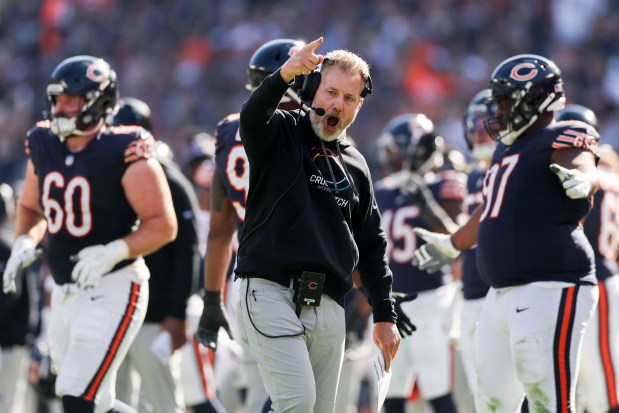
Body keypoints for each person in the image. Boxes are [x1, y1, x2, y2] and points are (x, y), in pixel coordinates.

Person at [412, 54, 600, 412]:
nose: (497, 110)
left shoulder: (559, 134)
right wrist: (453, 244)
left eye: (505, 100)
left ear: (536, 100)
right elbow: (490, 209)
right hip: (500, 294)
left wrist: (583, 180)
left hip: (550, 284)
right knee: (492, 404)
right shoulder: (505, 148)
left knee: (549, 402)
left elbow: (580, 164)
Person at [2, 55, 177, 413]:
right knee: (95, 405)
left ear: (100, 102)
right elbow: (32, 208)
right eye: (58, 100)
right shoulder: (43, 142)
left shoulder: (124, 149)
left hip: (113, 284)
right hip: (66, 291)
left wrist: (111, 251)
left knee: (75, 397)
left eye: (72, 100)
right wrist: (25, 240)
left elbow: (163, 224)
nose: (62, 108)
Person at [233, 36, 400, 413]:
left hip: (327, 302)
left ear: (359, 105)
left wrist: (384, 313)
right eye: (331, 92)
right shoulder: (281, 131)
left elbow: (372, 244)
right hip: (269, 289)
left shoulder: (356, 163)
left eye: (349, 98)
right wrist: (286, 73)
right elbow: (250, 117)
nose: (337, 104)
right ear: (312, 90)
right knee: (297, 402)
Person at [196, 38, 305, 413]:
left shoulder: (230, 132)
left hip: (246, 279)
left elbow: (220, 228)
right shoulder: (312, 125)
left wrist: (212, 296)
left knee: (262, 389)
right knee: (305, 395)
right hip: (303, 276)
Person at [112, 97, 223, 413]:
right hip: (116, 311)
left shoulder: (170, 180)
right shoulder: (110, 176)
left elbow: (188, 253)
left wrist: (176, 313)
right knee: (115, 401)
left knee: (164, 402)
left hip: (157, 316)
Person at [374, 114, 464, 413]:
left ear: (420, 151)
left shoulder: (444, 185)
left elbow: (457, 238)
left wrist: (427, 205)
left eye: (398, 150)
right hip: (392, 301)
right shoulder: (382, 191)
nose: (392, 157)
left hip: (432, 299)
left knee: (437, 389)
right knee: (391, 391)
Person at [555, 105, 619, 413]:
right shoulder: (610, 177)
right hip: (605, 276)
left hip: (597, 280)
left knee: (603, 378)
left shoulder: (585, 179)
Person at [456, 89, 495, 397]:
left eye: (488, 124)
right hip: (470, 292)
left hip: (499, 291)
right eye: (475, 125)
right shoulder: (471, 176)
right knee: (482, 393)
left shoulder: (513, 167)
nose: (479, 133)